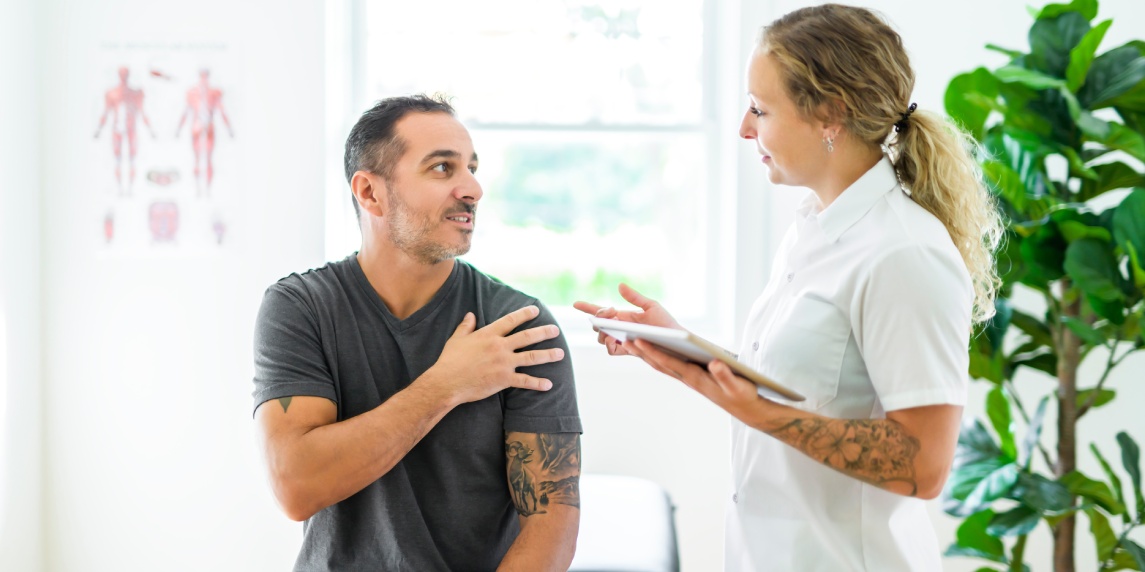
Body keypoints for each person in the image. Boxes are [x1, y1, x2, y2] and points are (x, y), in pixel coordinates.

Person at [576, 5, 1003, 570]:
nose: (744, 127)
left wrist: (761, 415)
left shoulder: (905, 253)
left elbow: (923, 465)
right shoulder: (814, 227)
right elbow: (802, 388)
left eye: (760, 109)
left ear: (831, 114)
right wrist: (684, 351)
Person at [252, 94, 582, 571]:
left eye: (471, 167)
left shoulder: (519, 328)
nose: (472, 189)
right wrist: (446, 386)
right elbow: (296, 486)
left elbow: (551, 525)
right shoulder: (301, 308)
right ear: (370, 193)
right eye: (442, 169)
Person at [94, 66, 155, 195]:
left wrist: (150, 130)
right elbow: (106, 112)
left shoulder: (135, 93)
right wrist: (99, 129)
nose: (123, 76)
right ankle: (120, 190)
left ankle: (130, 189)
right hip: (117, 130)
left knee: (132, 160)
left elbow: (141, 112)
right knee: (118, 160)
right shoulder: (112, 93)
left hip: (131, 129)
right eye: (122, 74)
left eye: (125, 73)